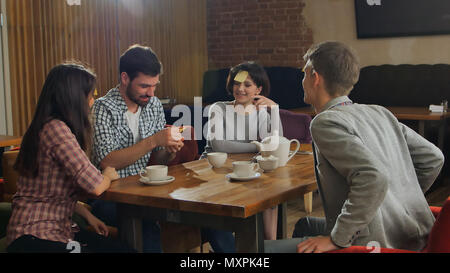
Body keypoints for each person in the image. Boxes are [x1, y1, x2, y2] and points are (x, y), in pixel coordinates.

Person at [265, 41, 445, 253]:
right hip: (419, 233)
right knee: (305, 225)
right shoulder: (380, 112)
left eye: (304, 74)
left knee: (260, 252)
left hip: (378, 243)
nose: (302, 80)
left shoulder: (325, 122)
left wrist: (337, 240)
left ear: (315, 77)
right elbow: (433, 158)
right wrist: (393, 201)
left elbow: (372, 177)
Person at [6, 63, 134, 253]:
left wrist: (86, 214)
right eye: (90, 96)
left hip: (55, 232)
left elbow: (48, 192)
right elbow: (96, 185)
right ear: (73, 98)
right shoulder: (56, 130)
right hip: (36, 237)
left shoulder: (44, 125)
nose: (92, 102)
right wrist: (108, 174)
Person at [89, 44, 184, 253]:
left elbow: (155, 161)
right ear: (125, 78)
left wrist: (168, 151)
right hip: (110, 194)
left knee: (192, 214)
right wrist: (153, 141)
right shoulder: (103, 108)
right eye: (144, 86)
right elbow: (107, 160)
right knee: (147, 228)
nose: (151, 93)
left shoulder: (154, 104)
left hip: (145, 190)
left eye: (154, 86)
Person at [204, 61, 284, 240]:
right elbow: (219, 145)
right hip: (214, 171)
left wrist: (275, 110)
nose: (240, 88)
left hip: (244, 169)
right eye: (236, 83)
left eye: (247, 84)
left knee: (271, 191)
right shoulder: (219, 108)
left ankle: (268, 245)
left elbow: (275, 144)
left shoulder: (262, 113)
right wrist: (258, 146)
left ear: (258, 90)